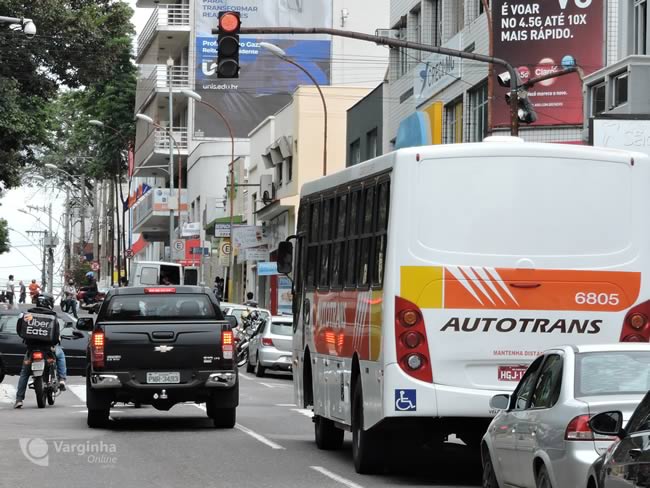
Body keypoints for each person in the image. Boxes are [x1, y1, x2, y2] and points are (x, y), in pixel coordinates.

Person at [14, 307, 67, 409]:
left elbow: (20, 331)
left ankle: (19, 399)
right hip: (48, 350)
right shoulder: (51, 316)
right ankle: (62, 379)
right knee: (60, 355)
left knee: (24, 373)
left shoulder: (30, 314)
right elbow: (56, 337)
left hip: (32, 350)